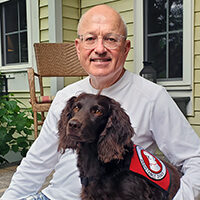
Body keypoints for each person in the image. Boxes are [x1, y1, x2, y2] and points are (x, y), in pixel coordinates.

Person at [1, 4, 200, 200]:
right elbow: (36, 164)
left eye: (110, 39)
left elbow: (195, 160)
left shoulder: (152, 97)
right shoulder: (65, 97)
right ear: (78, 48)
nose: (99, 49)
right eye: (90, 39)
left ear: (125, 48)